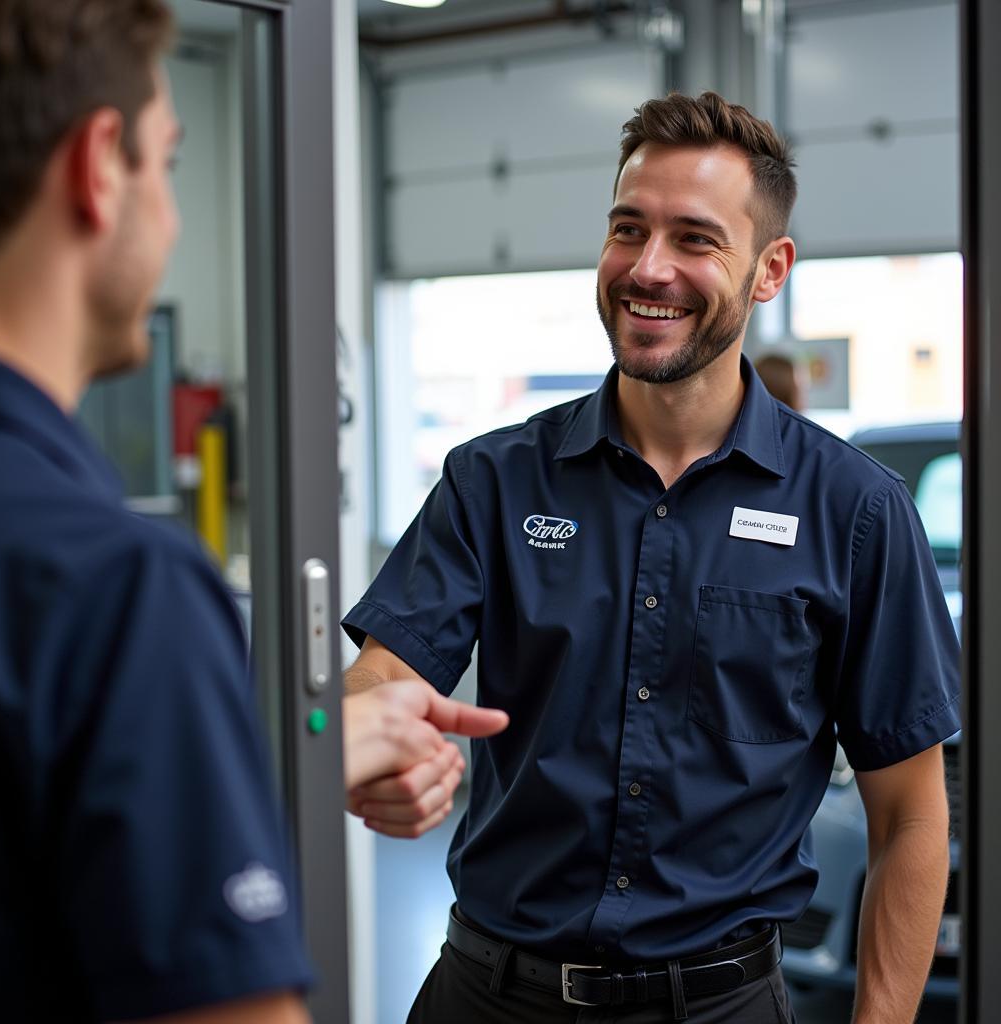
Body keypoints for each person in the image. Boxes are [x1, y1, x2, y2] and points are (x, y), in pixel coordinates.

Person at [343, 91, 960, 1023]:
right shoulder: (495, 481)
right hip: (487, 994)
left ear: (768, 270)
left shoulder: (856, 513)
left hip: (719, 1004)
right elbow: (382, 673)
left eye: (695, 239)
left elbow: (910, 813)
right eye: (627, 229)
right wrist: (372, 746)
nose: (649, 268)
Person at [0, 2, 506, 1022]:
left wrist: (284, 754)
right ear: (98, 165)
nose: (171, 216)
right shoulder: (118, 586)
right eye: (167, 162)